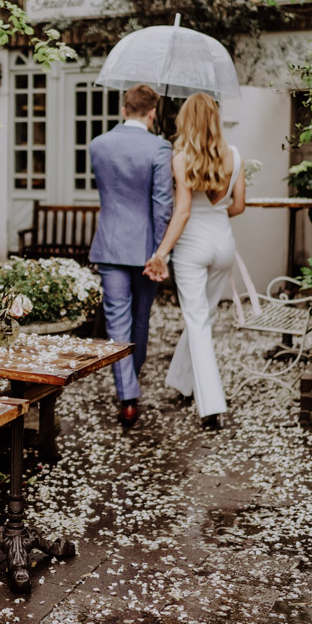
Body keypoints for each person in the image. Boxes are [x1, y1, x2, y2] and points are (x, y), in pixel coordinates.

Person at [143, 92, 246, 430]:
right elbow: (238, 206)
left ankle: (211, 406)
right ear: (214, 120)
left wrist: (161, 253)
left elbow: (183, 212)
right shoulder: (235, 156)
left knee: (198, 321)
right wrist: (216, 210)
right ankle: (182, 381)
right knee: (203, 316)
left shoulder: (181, 157)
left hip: (192, 247)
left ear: (185, 121)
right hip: (223, 245)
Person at [88, 84, 174, 428]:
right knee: (140, 320)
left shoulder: (98, 145)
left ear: (124, 109)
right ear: (152, 113)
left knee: (117, 323)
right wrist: (159, 252)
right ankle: (129, 387)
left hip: (109, 246)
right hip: (145, 250)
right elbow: (162, 205)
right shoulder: (159, 147)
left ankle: (127, 395)